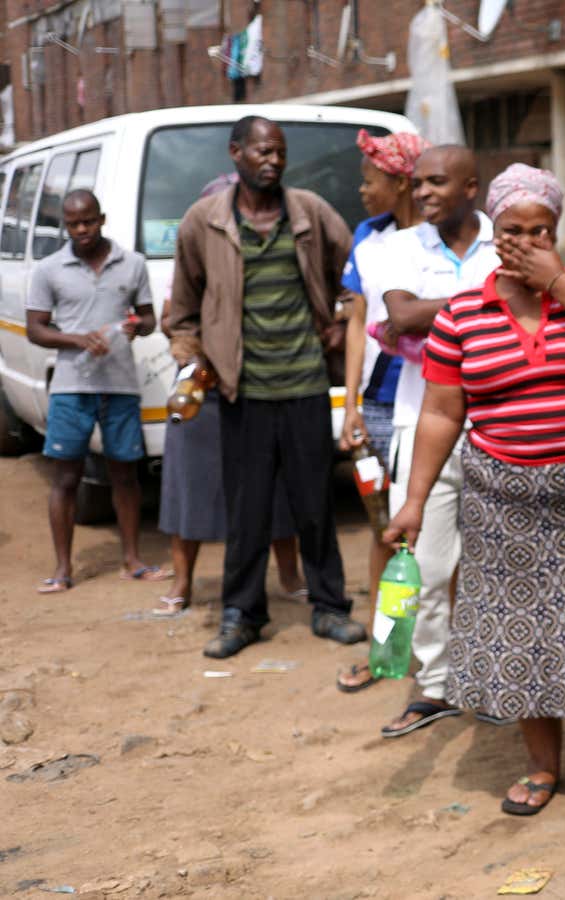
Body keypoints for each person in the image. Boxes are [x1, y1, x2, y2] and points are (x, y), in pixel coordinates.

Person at [384, 163, 565, 819]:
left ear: (558, 231)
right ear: (492, 232)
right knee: (522, 632)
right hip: (502, 500)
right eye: (513, 231)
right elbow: (444, 412)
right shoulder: (462, 315)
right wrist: (415, 500)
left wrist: (555, 278)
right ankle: (542, 766)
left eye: (541, 230)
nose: (527, 241)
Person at [167, 115, 365, 659]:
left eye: (279, 152)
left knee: (314, 505)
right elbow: (180, 312)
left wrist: (341, 320)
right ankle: (242, 614)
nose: (272, 161)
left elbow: (358, 275)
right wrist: (194, 364)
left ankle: (329, 608)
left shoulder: (310, 213)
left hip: (304, 383)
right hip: (241, 392)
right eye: (261, 152)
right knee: (247, 509)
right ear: (235, 154)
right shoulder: (202, 221)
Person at [353, 145, 499, 731]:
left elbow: (421, 315)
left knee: (497, 568)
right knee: (428, 566)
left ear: (471, 186)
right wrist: (494, 303)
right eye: (417, 183)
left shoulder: (505, 238)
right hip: (422, 423)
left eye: (437, 182)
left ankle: (494, 680)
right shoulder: (390, 248)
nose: (423, 193)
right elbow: (403, 317)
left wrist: (437, 309)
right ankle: (435, 685)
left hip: (501, 426)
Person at [155, 170, 304, 617]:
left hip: (262, 385)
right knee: (189, 487)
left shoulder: (269, 254)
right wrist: (205, 347)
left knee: (275, 487)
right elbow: (171, 318)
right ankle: (182, 584)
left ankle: (291, 578)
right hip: (201, 388)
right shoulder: (192, 260)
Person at [331, 128, 429, 692]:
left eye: (370, 180)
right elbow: (355, 325)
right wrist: (351, 406)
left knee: (444, 532)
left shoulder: (443, 240)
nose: (362, 190)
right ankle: (386, 647)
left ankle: (443, 654)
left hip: (437, 408)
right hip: (380, 408)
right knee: (384, 532)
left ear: (400, 182)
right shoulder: (368, 238)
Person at [24, 189, 159, 593]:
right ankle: (63, 569)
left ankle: (132, 559)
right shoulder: (49, 269)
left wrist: (140, 325)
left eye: (88, 221)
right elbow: (35, 328)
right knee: (66, 478)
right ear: (65, 225)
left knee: (125, 474)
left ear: (102, 218)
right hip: (71, 387)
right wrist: (78, 340)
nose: (81, 230)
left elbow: (149, 318)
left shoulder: (132, 264)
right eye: (73, 223)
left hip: (120, 385)